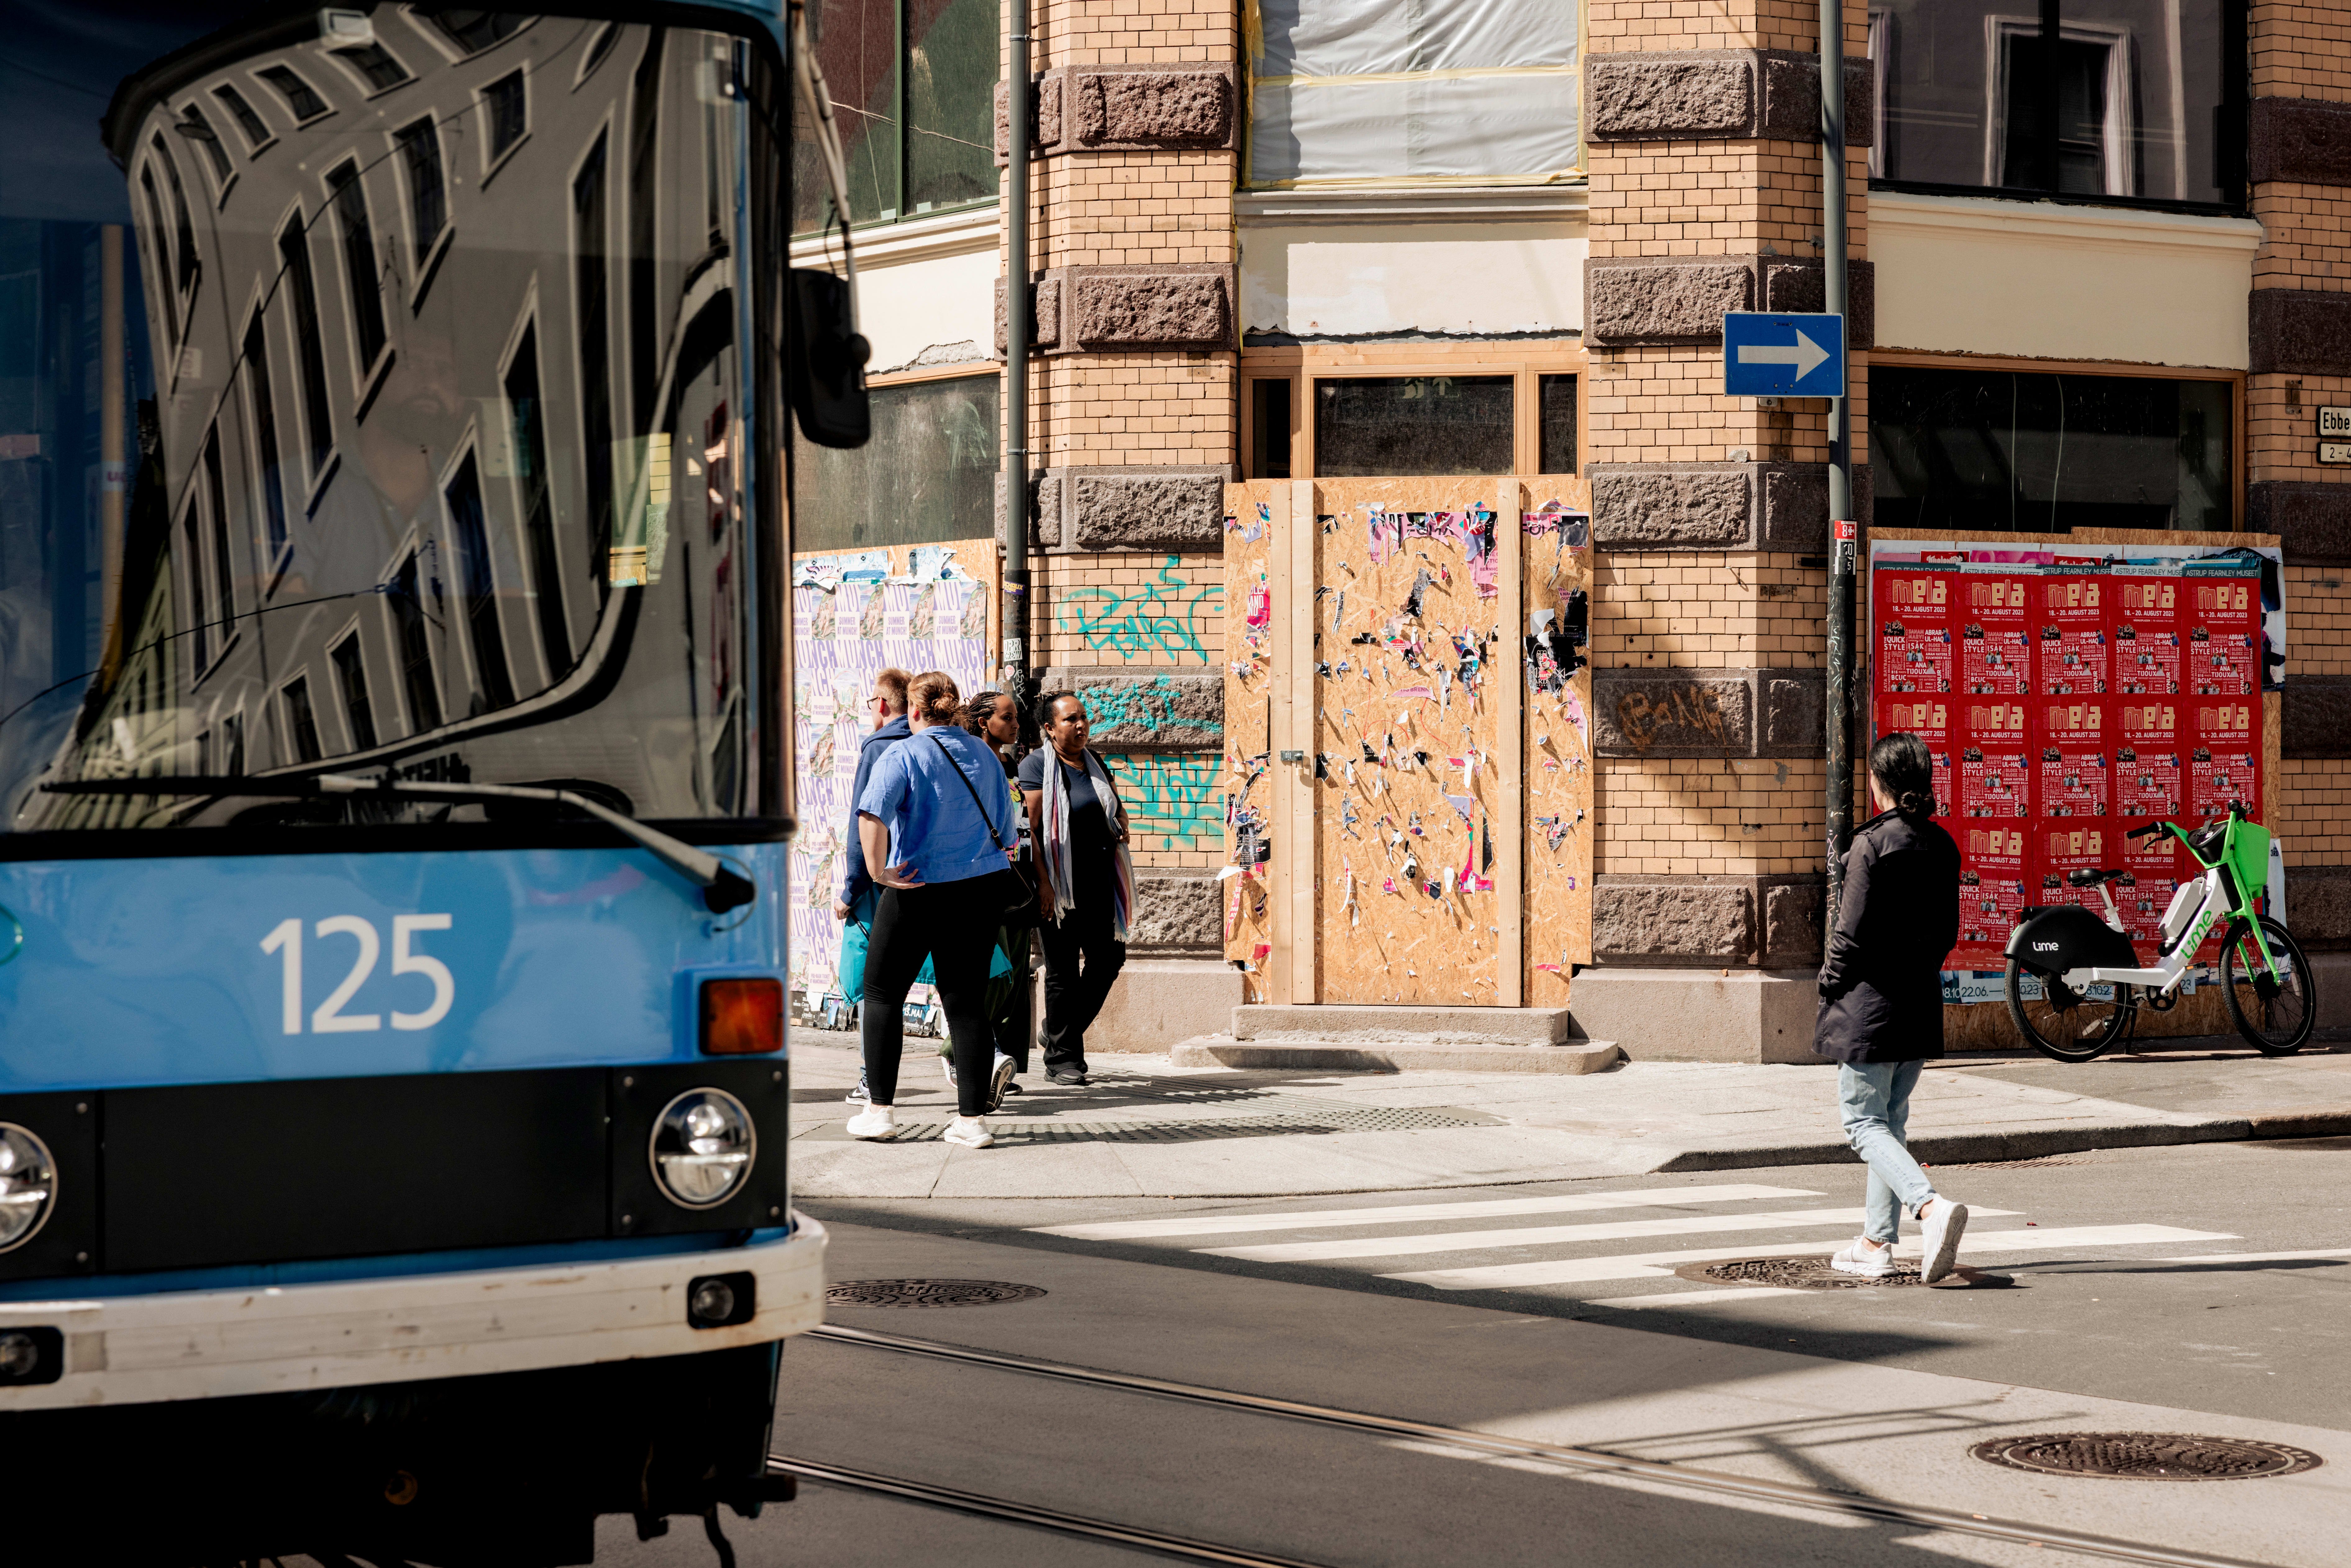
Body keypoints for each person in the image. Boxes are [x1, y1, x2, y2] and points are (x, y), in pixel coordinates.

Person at [1814, 732, 1972, 1282]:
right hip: (1918, 1002)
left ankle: (1928, 1208)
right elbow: (1947, 933)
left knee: (1862, 1123)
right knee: (1889, 1123)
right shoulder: (1942, 845)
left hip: (1870, 1007)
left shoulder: (1871, 844)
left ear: (1877, 782)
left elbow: (1849, 932)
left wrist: (1828, 982)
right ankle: (1874, 1243)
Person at [847, 670, 1021, 1147]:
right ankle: (971, 1122)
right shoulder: (985, 755)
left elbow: (871, 814)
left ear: (913, 711)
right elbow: (1007, 833)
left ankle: (879, 1111)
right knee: (965, 1002)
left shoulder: (903, 752)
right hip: (981, 889)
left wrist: (879, 871)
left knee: (881, 992)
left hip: (918, 886)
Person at [1018, 693, 1133, 1087]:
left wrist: (1120, 819)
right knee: (1063, 972)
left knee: (1109, 960)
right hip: (1060, 888)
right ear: (1050, 728)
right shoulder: (1036, 766)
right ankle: (1063, 1060)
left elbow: (1112, 804)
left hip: (1100, 883)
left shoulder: (1095, 761)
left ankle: (1057, 1032)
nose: (1081, 724)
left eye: (1083, 717)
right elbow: (1032, 830)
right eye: (1071, 719)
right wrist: (1044, 884)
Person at [837, 667, 912, 1107]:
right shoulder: (932, 743)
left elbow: (861, 824)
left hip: (885, 882)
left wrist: (850, 890)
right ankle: (983, 1059)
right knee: (953, 980)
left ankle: (872, 1080)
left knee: (875, 985)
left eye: (871, 702)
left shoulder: (878, 746)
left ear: (882, 704)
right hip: (932, 877)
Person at [959, 690, 1036, 1099]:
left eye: (1016, 717)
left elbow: (1026, 827)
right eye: (1007, 717)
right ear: (984, 722)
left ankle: (1000, 1063)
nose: (1016, 724)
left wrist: (1043, 881)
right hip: (987, 882)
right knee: (996, 976)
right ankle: (960, 1050)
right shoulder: (972, 762)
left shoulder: (1010, 764)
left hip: (1018, 882)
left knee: (1015, 982)